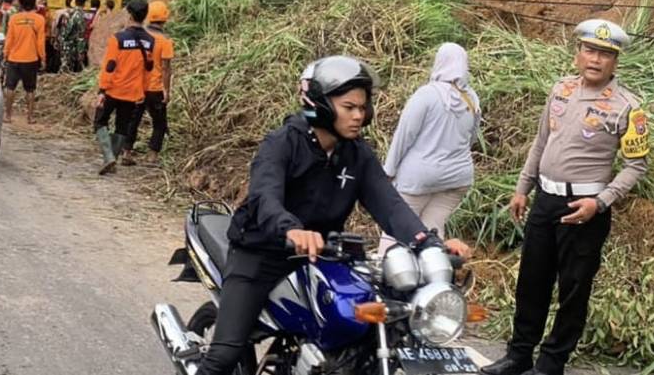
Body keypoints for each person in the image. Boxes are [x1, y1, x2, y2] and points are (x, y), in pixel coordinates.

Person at [196, 55, 471, 375]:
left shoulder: (357, 154)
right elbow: (264, 198)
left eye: (362, 107)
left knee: (365, 329)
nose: (359, 115)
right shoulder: (282, 143)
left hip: (324, 255)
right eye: (349, 107)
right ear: (321, 106)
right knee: (225, 356)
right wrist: (291, 230)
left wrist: (428, 243)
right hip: (262, 254)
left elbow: (391, 205)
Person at [480, 19, 650, 375]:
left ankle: (551, 362)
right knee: (532, 281)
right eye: (590, 50)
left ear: (615, 62)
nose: (596, 59)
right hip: (545, 200)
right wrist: (522, 188)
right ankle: (518, 355)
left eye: (605, 54)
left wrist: (599, 202)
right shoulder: (561, 90)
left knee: (573, 289)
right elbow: (542, 142)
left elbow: (636, 166)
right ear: (578, 54)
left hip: (585, 209)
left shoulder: (628, 107)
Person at [378, 43, 480, 254]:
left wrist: (388, 171)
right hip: (457, 179)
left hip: (420, 178)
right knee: (433, 231)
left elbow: (404, 135)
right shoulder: (471, 98)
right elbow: (471, 139)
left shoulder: (427, 94)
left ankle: (385, 276)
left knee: (396, 231)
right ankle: (432, 279)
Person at [94, 0, 156, 175]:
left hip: (114, 89)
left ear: (129, 15)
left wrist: (102, 90)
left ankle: (109, 157)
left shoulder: (118, 39)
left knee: (100, 121)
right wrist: (143, 90)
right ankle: (112, 157)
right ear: (145, 17)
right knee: (122, 126)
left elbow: (110, 66)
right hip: (133, 92)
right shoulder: (150, 41)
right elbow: (149, 69)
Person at [127, 1, 174, 164]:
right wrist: (167, 91)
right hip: (155, 88)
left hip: (137, 85)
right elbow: (167, 68)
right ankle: (152, 155)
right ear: (165, 19)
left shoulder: (139, 37)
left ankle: (126, 152)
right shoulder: (165, 40)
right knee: (160, 122)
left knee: (133, 119)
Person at [2, 0, 47, 124]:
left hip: (14, 58)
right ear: (34, 3)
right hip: (31, 59)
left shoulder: (14, 19)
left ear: (20, 3)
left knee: (10, 87)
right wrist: (43, 58)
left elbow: (9, 39)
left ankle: (8, 116)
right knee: (30, 89)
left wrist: (5, 54)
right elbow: (40, 42)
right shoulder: (40, 20)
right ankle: (30, 117)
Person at [61, 0, 88, 73]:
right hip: (72, 46)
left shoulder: (68, 12)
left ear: (75, 1)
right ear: (84, 3)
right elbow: (81, 35)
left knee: (65, 66)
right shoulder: (80, 15)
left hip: (64, 44)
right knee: (69, 70)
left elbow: (62, 28)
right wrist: (81, 51)